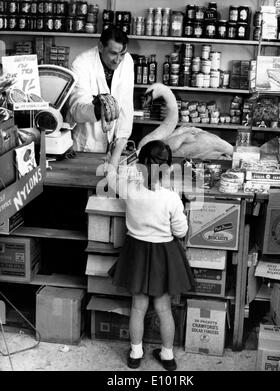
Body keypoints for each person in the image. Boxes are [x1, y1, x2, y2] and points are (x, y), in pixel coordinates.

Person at [106, 140, 195, 371]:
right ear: (167, 167)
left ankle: (136, 354)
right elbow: (181, 231)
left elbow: (110, 175)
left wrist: (117, 150)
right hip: (163, 255)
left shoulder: (129, 188)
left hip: (136, 252)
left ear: (139, 165)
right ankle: (167, 356)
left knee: (138, 307)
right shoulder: (171, 197)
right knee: (164, 308)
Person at [68, 25, 134, 154]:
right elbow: (76, 111)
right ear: (100, 46)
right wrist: (100, 108)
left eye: (122, 54)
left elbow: (126, 105)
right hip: (87, 143)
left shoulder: (127, 61)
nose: (118, 60)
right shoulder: (81, 63)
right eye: (113, 53)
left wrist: (121, 140)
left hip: (113, 143)